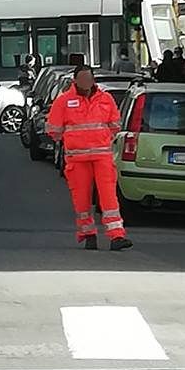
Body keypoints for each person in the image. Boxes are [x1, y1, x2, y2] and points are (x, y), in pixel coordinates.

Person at [46, 64, 133, 252]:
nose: (87, 82)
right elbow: (53, 129)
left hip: (102, 156)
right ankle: (88, 235)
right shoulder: (63, 101)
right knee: (82, 199)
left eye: (89, 78)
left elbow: (115, 124)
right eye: (83, 78)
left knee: (109, 197)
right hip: (78, 159)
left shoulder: (106, 99)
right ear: (75, 81)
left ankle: (116, 236)